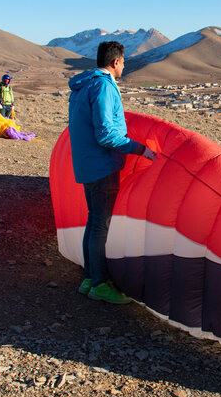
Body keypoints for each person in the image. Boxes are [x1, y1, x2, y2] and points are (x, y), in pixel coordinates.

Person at [67, 41, 157, 304]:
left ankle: (88, 277)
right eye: (124, 61)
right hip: (102, 166)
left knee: (93, 221)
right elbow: (106, 133)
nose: (124, 66)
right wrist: (140, 150)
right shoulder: (104, 87)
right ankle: (99, 283)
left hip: (87, 164)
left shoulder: (84, 85)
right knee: (99, 225)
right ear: (116, 62)